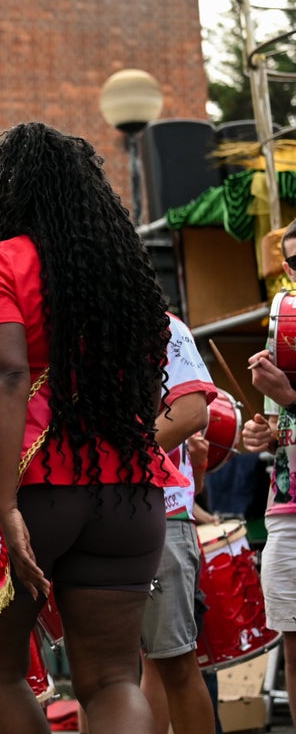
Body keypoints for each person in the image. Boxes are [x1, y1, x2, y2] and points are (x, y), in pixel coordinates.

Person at [0, 122, 186, 733]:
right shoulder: (123, 275)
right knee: (113, 680)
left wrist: (5, 504)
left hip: (33, 486)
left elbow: (7, 375)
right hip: (129, 491)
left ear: (11, 190)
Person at [138, 314, 216, 734]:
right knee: (108, 672)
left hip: (160, 513)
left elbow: (191, 413)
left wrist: (116, 459)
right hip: (98, 515)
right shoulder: (74, 321)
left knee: (172, 662)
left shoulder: (164, 325)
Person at [239, 216, 296, 716]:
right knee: (294, 649)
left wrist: (290, 398)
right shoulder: (286, 339)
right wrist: (260, 433)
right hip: (287, 512)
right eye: (295, 262)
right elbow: (277, 433)